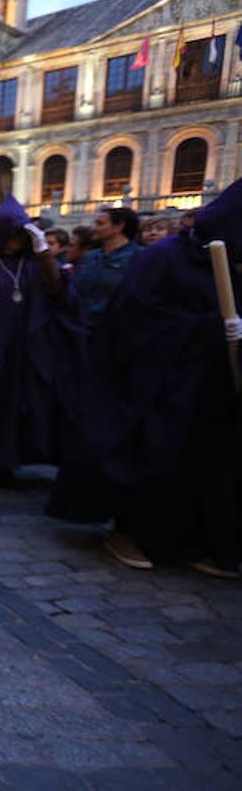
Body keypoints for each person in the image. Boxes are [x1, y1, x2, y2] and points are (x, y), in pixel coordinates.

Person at [50, 178, 242, 578]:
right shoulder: (164, 258)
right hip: (161, 387)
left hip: (213, 390)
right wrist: (207, 327)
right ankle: (133, 534)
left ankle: (196, 543)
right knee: (157, 462)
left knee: (208, 468)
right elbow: (134, 319)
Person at [0, 196, 89, 492]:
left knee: (20, 403)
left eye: (19, 234)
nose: (13, 241)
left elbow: (58, 290)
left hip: (28, 343)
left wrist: (42, 250)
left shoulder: (34, 264)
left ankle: (8, 462)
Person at [70, 207, 140, 329]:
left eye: (100, 224)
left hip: (118, 330)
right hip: (82, 327)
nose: (94, 229)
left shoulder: (139, 257)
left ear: (119, 226)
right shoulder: (89, 257)